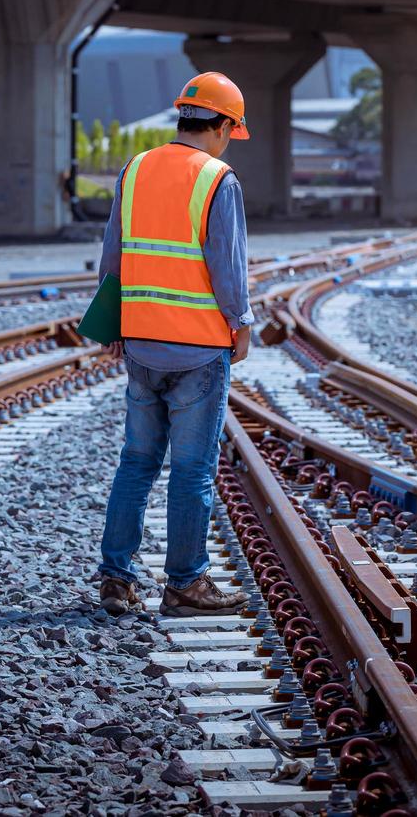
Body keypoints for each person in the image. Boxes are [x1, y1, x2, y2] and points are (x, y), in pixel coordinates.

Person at [95, 72, 254, 617]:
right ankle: (186, 584)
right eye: (232, 129)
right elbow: (227, 266)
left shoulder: (134, 169)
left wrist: (113, 322)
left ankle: (116, 579)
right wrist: (242, 323)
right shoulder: (218, 179)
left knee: (136, 462)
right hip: (199, 349)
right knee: (192, 472)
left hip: (140, 344)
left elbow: (113, 254)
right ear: (223, 124)